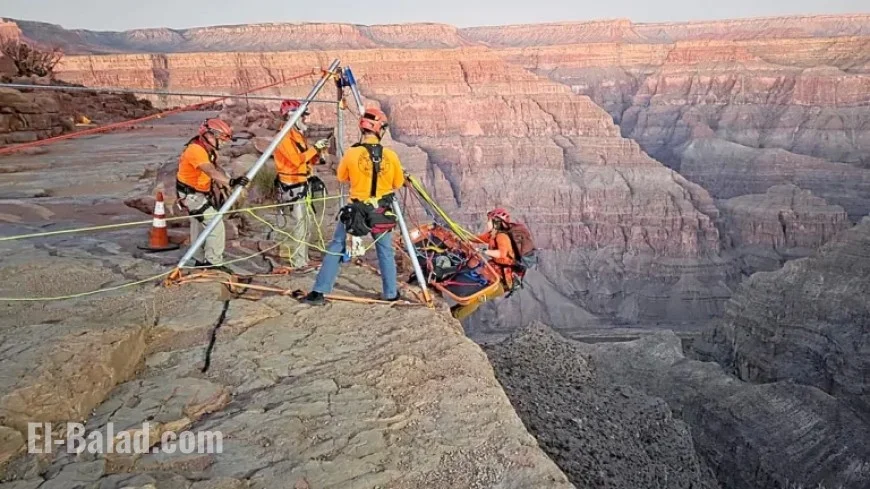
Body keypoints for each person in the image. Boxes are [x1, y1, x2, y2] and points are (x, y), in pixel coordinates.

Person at [303, 107, 404, 305]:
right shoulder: (390, 156)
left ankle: (319, 291)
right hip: (380, 211)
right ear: (379, 130)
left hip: (356, 210)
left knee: (337, 246)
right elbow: (398, 183)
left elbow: (341, 177)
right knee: (385, 251)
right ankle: (391, 293)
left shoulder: (351, 153)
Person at [175, 118, 249, 270]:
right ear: (209, 135)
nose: (222, 143)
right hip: (191, 195)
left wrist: (229, 181)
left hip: (199, 192)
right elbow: (209, 170)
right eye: (221, 139)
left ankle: (197, 258)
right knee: (215, 224)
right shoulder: (195, 150)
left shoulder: (208, 150)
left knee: (198, 225)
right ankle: (213, 262)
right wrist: (230, 183)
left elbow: (216, 168)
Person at [273, 99, 329, 270]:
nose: (305, 119)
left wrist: (318, 153)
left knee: (305, 225)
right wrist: (314, 149)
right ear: (292, 116)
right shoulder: (283, 137)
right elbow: (296, 160)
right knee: (299, 225)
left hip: (302, 183)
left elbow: (306, 158)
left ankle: (303, 259)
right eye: (302, 116)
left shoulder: (297, 136)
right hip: (292, 185)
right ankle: (299, 262)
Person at [450, 208, 517, 320]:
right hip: (493, 275)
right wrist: (461, 237)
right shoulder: (493, 235)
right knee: (472, 292)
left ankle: (454, 317)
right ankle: (452, 312)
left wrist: (484, 251)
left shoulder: (502, 237)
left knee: (477, 297)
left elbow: (501, 253)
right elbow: (477, 238)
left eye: (489, 220)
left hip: (501, 281)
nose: (487, 222)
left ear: (497, 222)